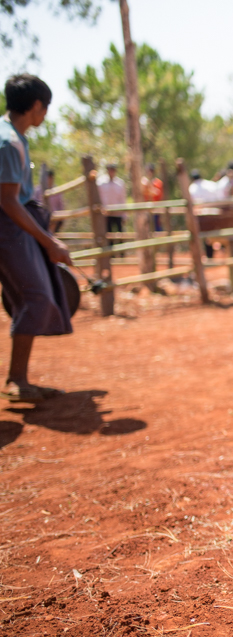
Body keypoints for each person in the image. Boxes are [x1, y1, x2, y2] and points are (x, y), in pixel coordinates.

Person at [0, 74, 74, 402]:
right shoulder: (9, 142)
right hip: (9, 230)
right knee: (37, 297)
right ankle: (16, 380)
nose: (45, 114)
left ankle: (19, 380)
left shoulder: (13, 137)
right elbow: (8, 202)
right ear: (36, 106)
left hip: (14, 229)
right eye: (45, 107)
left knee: (25, 299)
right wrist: (50, 241)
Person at [96, 163, 127, 241]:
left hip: (118, 213)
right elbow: (98, 198)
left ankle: (122, 252)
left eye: (113, 170)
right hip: (106, 213)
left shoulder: (120, 183)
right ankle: (110, 253)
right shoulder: (100, 183)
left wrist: (125, 215)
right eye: (110, 170)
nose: (111, 172)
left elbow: (123, 199)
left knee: (120, 234)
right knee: (108, 234)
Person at [141, 164, 164, 232]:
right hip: (146, 209)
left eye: (151, 171)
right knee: (146, 228)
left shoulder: (158, 182)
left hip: (156, 209)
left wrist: (149, 187)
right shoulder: (143, 182)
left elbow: (158, 194)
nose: (149, 172)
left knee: (157, 228)